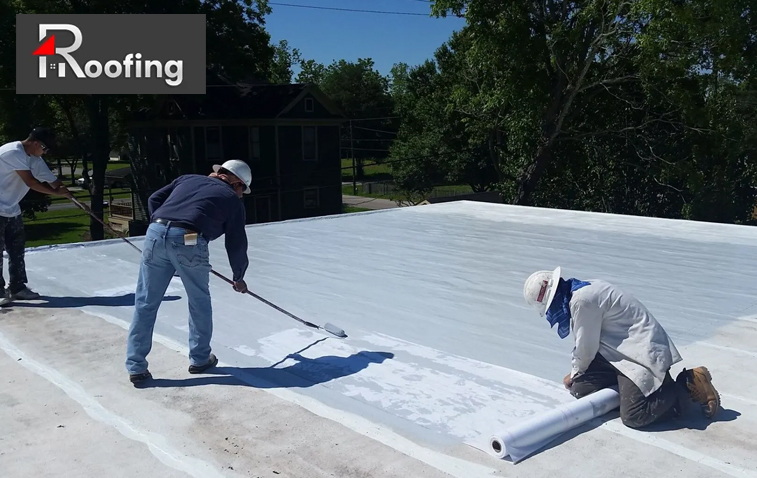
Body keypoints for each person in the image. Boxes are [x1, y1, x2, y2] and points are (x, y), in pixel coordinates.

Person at [523, 267, 720, 429]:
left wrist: (574, 372)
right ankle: (640, 389)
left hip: (640, 351)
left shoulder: (582, 300)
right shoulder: (579, 292)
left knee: (634, 415)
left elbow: (586, 348)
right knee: (581, 388)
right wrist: (577, 376)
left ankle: (685, 385)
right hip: (617, 351)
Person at [125, 159, 253, 385]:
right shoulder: (231, 199)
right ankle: (200, 358)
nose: (242, 193)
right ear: (235, 182)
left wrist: (162, 229)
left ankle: (135, 366)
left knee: (145, 302)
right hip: (189, 239)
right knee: (198, 301)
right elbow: (236, 242)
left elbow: (154, 198)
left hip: (155, 233)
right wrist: (238, 277)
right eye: (243, 188)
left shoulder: (187, 179)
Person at [0, 127, 72, 306]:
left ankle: (17, 287)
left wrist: (64, 190)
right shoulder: (12, 152)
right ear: (36, 143)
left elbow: (52, 180)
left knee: (17, 249)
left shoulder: (35, 159)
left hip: (11, 208)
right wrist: (57, 194)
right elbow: (31, 182)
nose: (45, 153)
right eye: (45, 149)